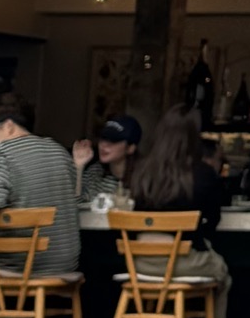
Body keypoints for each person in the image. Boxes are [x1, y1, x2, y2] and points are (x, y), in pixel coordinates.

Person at [125, 104, 230, 303]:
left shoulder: (142, 171)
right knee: (222, 273)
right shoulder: (203, 174)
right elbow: (213, 220)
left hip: (141, 264)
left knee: (166, 290)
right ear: (194, 137)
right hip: (182, 263)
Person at [0, 96, 83, 278]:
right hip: (66, 266)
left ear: (9, 126)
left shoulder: (3, 152)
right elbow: (76, 198)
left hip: (23, 265)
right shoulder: (59, 150)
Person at [73, 115, 142, 210]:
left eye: (114, 140)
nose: (104, 145)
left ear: (130, 148)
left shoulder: (143, 179)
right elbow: (76, 207)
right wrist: (78, 166)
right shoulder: (95, 172)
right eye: (103, 138)